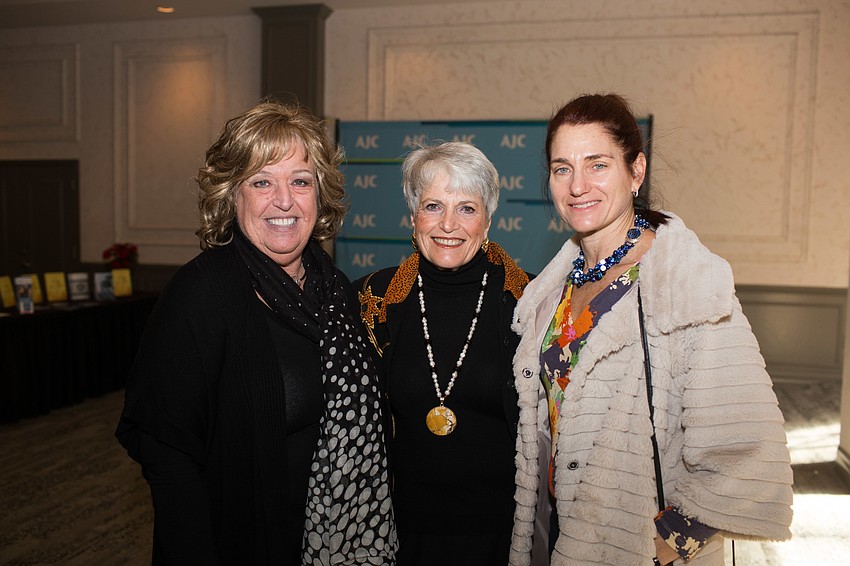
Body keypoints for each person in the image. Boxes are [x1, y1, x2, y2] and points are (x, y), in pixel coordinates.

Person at [509, 94, 793, 565]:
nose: (577, 185)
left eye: (597, 165)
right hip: (561, 526)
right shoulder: (553, 288)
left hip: (632, 538)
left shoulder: (689, 283)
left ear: (635, 171)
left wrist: (664, 546)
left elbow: (747, 450)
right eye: (562, 168)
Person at [115, 100, 397, 565]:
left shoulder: (337, 291)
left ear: (319, 195)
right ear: (232, 195)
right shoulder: (202, 293)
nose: (283, 200)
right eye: (262, 181)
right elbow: (167, 454)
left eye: (300, 182)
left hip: (336, 542)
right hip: (243, 541)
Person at [355, 141, 530, 565]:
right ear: (413, 216)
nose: (448, 224)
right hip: (397, 531)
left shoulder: (531, 300)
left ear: (488, 221)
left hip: (503, 534)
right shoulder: (372, 300)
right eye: (433, 205)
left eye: (467, 208)